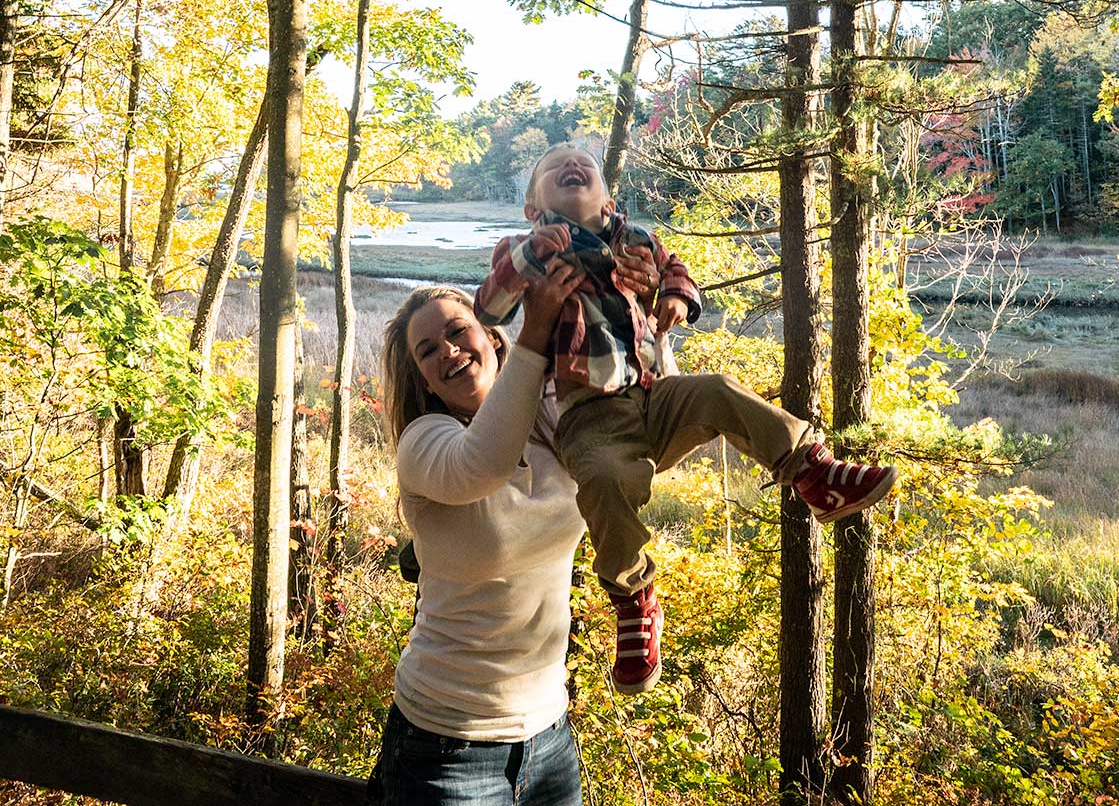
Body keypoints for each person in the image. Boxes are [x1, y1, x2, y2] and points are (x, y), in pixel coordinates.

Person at [475, 144, 896, 695]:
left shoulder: (639, 241)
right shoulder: (522, 250)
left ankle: (813, 472)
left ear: (609, 195)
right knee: (604, 480)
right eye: (554, 169)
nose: (571, 167)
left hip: (656, 394)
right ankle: (632, 597)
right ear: (533, 206)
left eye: (585, 165)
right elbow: (489, 308)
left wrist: (672, 297)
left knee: (719, 390)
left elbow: (678, 273)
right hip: (590, 411)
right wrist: (529, 255)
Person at [370, 249, 646, 805]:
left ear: (491, 337)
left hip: (549, 738)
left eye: (457, 331)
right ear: (423, 378)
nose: (447, 350)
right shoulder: (423, 444)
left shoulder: (557, 422)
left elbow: (643, 429)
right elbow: (486, 462)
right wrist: (536, 330)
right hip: (443, 745)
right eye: (428, 351)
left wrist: (639, 301)